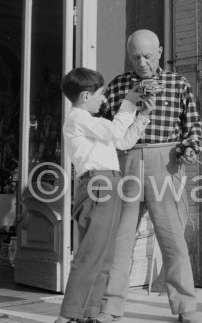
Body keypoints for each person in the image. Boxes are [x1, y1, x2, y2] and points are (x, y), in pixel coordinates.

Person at [97, 29, 202, 323]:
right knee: (119, 241)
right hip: (126, 164)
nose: (141, 62)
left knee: (172, 239)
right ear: (128, 55)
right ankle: (110, 307)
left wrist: (190, 149)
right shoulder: (117, 86)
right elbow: (105, 130)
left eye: (147, 55)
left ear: (159, 51)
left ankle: (186, 308)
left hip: (165, 163)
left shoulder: (178, 83)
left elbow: (192, 126)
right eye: (135, 56)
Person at [56, 67, 154, 323]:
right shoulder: (79, 118)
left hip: (109, 183)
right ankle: (67, 316)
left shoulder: (91, 124)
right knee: (91, 253)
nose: (104, 99)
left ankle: (88, 313)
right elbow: (113, 132)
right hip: (98, 183)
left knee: (105, 255)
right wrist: (129, 102)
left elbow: (121, 141)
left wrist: (141, 116)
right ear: (86, 96)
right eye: (101, 94)